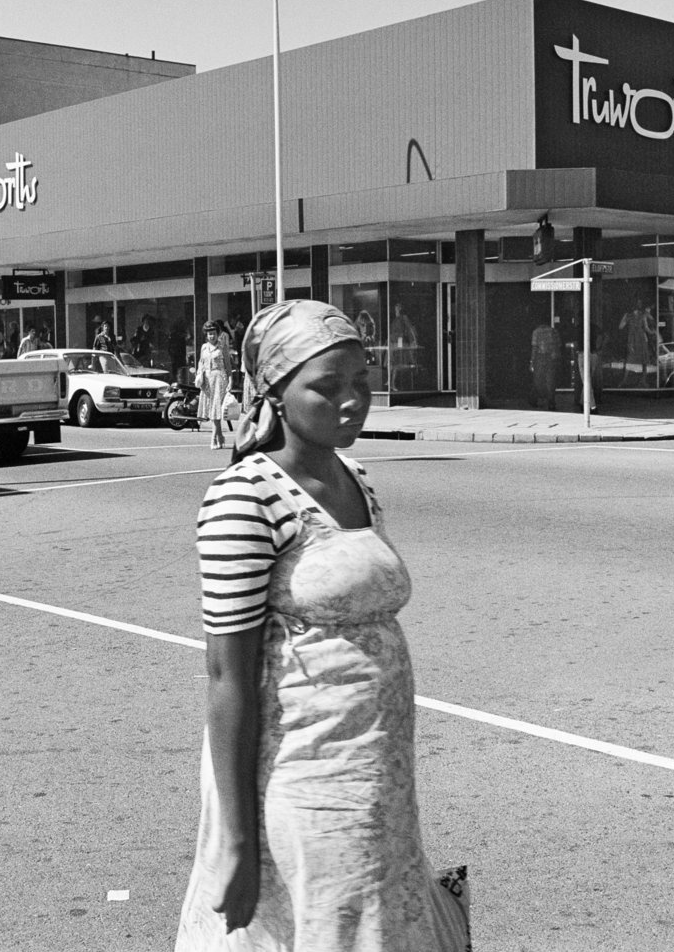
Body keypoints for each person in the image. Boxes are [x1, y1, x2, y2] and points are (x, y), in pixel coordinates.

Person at [175, 300, 471, 952]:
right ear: (277, 394)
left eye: (362, 381)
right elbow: (227, 677)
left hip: (377, 777)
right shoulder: (243, 498)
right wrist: (238, 839)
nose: (353, 400)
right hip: (307, 785)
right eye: (328, 386)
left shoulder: (355, 479)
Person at [195, 320, 231, 449]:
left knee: (216, 410)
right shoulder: (204, 347)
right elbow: (200, 362)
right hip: (207, 380)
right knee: (212, 410)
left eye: (214, 333)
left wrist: (230, 381)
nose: (211, 336)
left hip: (219, 379)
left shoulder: (222, 347)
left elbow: (228, 365)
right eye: (209, 334)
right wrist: (199, 374)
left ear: (218, 334)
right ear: (206, 335)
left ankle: (214, 439)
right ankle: (220, 436)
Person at [529, 320, 562, 410]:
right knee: (550, 380)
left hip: (541, 356)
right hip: (552, 357)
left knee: (538, 379)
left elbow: (534, 347)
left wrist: (532, 361)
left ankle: (536, 399)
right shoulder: (554, 331)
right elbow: (559, 345)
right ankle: (551, 402)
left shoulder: (536, 332)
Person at [389, 302, 418, 390]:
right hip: (394, 343)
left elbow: (410, 328)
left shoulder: (403, 318)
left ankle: (393, 383)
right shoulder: (395, 320)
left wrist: (414, 340)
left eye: (398, 308)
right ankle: (391, 383)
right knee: (394, 363)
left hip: (400, 343)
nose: (396, 310)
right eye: (395, 308)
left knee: (398, 364)